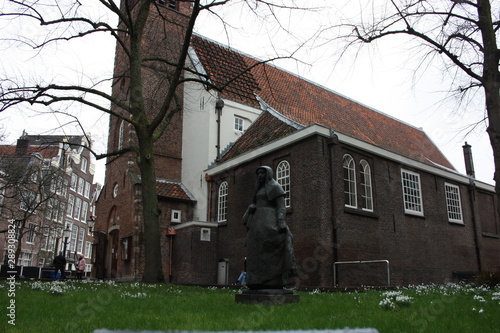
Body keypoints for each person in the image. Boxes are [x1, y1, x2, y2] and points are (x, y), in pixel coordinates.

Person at [242, 166, 297, 289]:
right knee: (255, 250)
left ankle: (273, 280)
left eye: (262, 173)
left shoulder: (275, 187)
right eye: (259, 173)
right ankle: (255, 281)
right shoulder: (258, 189)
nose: (260, 175)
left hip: (270, 220)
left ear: (268, 174)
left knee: (270, 249)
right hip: (257, 223)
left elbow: (281, 206)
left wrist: (281, 221)